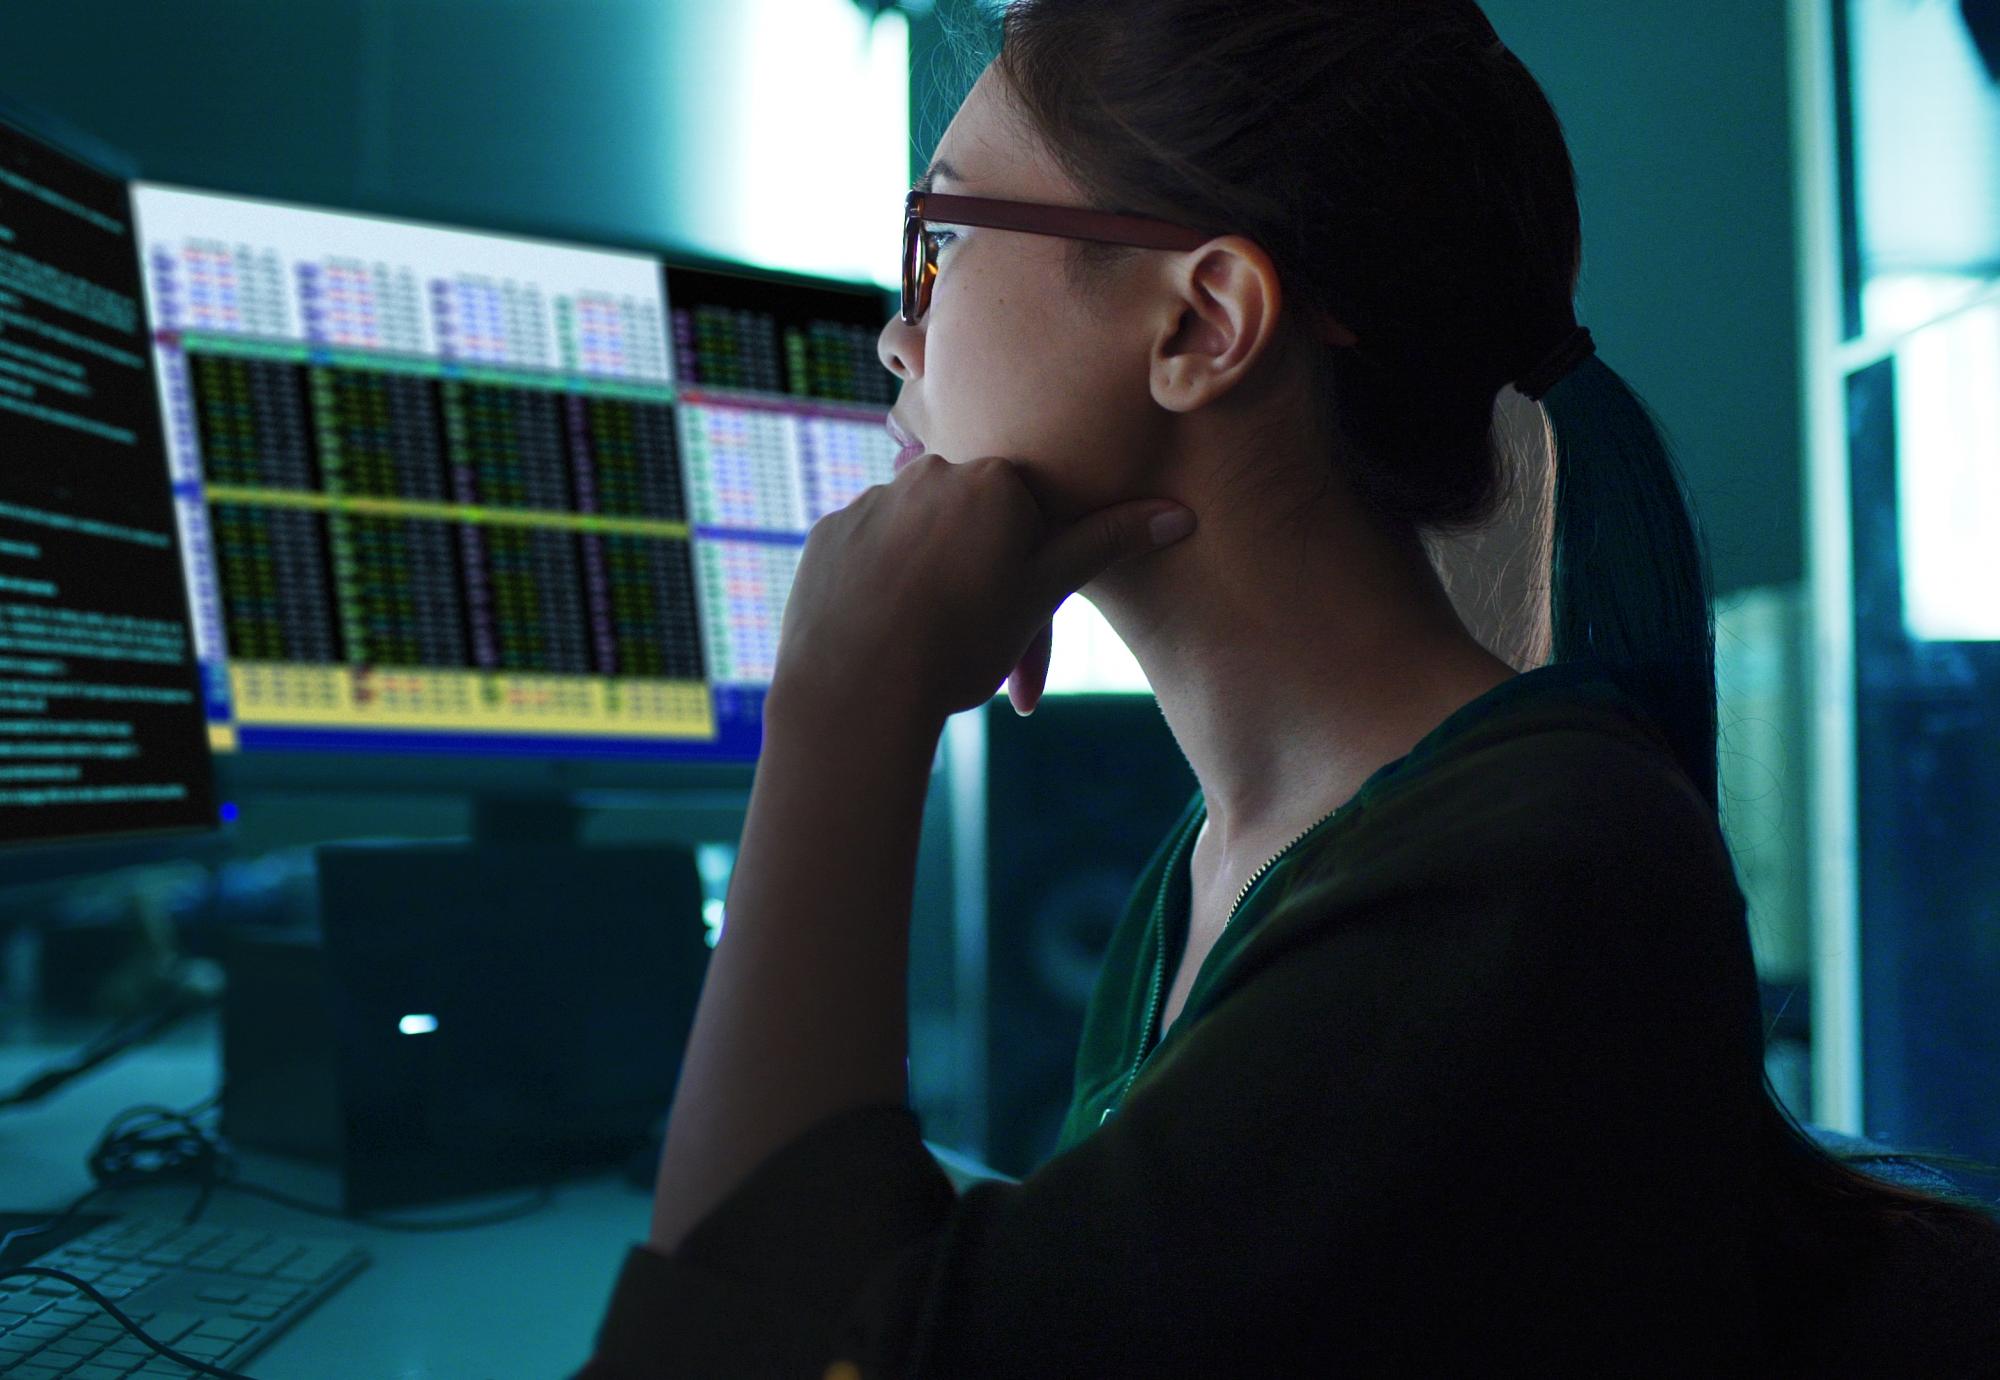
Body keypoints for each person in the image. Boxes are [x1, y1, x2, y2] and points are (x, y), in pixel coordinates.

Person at [573, 2, 2000, 1375]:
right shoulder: (1222, 861)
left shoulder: (1525, 878)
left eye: (937, 243)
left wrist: (842, 700)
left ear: (1202, 323)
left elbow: (735, 1350)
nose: (896, 334)